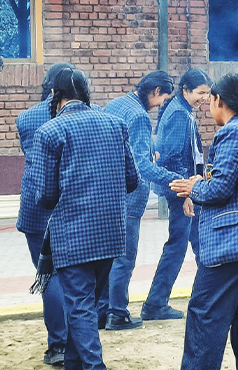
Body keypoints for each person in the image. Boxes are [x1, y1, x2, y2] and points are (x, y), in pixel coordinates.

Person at [169, 73, 238, 370]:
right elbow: (228, 182)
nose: (209, 108)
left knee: (204, 317)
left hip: (231, 245)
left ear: (219, 100)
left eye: (210, 101)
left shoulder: (231, 132)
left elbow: (219, 189)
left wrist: (194, 187)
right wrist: (200, 184)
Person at [30, 68, 138, 370]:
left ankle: (94, 366)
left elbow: (46, 196)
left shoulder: (50, 131)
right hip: (112, 235)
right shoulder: (115, 124)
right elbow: (132, 180)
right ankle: (74, 364)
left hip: (73, 236)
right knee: (84, 305)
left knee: (80, 308)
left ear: (55, 95)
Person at [100, 71, 179, 330]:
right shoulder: (140, 116)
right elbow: (141, 165)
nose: (160, 105)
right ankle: (118, 313)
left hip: (106, 193)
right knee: (124, 259)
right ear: (155, 91)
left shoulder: (116, 104)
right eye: (162, 99)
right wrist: (175, 178)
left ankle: (102, 312)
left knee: (106, 258)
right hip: (129, 198)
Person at [16, 62, 75, 366]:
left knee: (48, 274)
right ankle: (75, 341)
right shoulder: (83, 115)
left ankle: (57, 345)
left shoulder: (25, 118)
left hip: (36, 206)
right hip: (70, 205)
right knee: (72, 276)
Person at [143, 68, 212, 321]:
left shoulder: (182, 110)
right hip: (182, 191)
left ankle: (208, 293)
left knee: (200, 243)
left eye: (207, 93)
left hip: (186, 189)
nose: (205, 98)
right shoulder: (179, 114)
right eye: (200, 93)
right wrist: (186, 194)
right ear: (185, 90)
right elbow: (172, 158)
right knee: (178, 246)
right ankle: (155, 303)